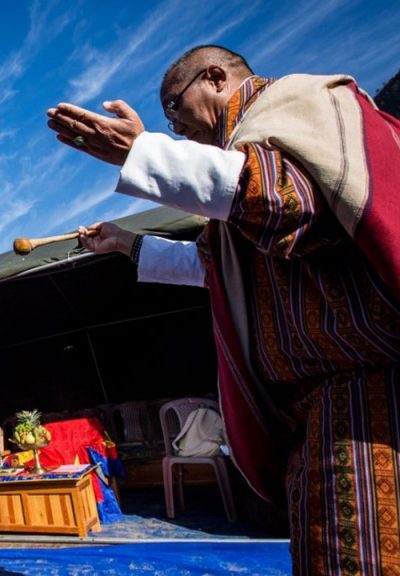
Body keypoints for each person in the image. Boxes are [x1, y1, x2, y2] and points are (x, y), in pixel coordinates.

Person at [48, 44, 400, 572]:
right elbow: (216, 269)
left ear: (214, 77)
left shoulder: (299, 104)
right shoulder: (244, 157)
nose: (175, 125)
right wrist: (125, 243)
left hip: (366, 402)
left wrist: (143, 152)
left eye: (174, 108)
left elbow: (290, 202)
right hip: (312, 404)